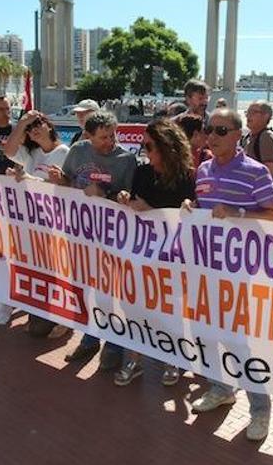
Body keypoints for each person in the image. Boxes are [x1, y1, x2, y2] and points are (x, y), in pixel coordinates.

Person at [182, 108, 273, 442]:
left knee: (239, 342)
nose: (211, 135)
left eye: (221, 130)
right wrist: (190, 209)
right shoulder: (203, 170)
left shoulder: (255, 172)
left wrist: (239, 213)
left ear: (238, 134)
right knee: (205, 333)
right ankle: (221, 387)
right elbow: (204, 211)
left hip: (241, 271)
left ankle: (260, 408)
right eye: (209, 129)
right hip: (206, 267)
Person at [48, 111, 137, 371]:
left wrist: (107, 194)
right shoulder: (78, 151)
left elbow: (128, 198)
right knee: (86, 288)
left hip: (111, 236)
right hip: (80, 232)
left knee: (111, 292)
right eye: (103, 138)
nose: (110, 142)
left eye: (112, 135)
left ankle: (113, 343)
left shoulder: (126, 159)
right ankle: (89, 337)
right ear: (89, 136)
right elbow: (67, 180)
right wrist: (59, 179)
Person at [113, 118, 196, 387]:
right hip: (142, 250)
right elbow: (136, 207)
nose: (145, 152)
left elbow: (181, 220)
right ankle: (135, 358)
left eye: (149, 146)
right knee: (135, 304)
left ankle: (172, 358)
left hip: (173, 255)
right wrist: (126, 201)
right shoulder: (142, 173)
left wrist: (146, 209)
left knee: (171, 308)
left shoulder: (187, 177)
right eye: (143, 146)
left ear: (166, 147)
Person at [1, 110, 70, 333]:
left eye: (38, 124)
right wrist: (22, 123)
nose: (34, 130)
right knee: (36, 268)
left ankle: (64, 319)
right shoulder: (32, 154)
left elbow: (63, 188)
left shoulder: (64, 152)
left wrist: (29, 179)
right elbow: (8, 149)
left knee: (57, 270)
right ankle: (40, 310)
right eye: (30, 129)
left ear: (49, 126)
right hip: (32, 222)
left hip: (55, 224)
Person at [242, 100, 273, 177]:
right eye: (247, 112)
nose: (248, 116)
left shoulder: (267, 137)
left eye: (253, 112)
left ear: (266, 116)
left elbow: (269, 173)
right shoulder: (248, 136)